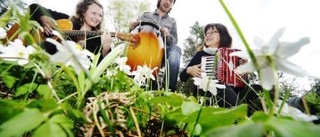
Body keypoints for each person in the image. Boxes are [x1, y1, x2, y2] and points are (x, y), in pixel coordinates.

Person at [28, 0, 112, 62]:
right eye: (93, 13)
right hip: (34, 55)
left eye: (100, 15)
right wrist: (43, 18)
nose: (97, 18)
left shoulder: (98, 39)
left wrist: (105, 51)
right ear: (83, 12)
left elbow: (96, 67)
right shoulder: (66, 21)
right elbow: (34, 7)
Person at [179, 23, 239, 108]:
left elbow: (241, 81)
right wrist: (189, 70)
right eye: (207, 33)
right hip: (207, 92)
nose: (208, 35)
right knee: (217, 84)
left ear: (222, 35)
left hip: (233, 91)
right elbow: (182, 77)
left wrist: (243, 66)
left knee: (255, 88)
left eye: (213, 32)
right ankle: (243, 115)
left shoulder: (233, 56)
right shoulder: (201, 54)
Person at [129, 0, 181, 92]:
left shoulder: (172, 21)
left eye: (171, 1)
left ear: (172, 5)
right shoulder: (146, 15)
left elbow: (174, 42)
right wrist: (132, 25)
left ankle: (168, 90)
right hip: (142, 48)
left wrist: (168, 35)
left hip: (161, 52)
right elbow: (134, 32)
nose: (168, 2)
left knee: (176, 50)